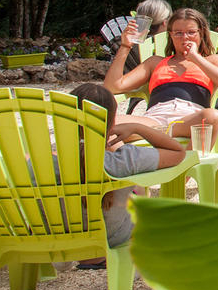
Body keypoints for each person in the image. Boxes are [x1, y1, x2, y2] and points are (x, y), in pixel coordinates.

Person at [69, 83, 186, 253]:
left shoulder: (40, 160)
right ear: (111, 122)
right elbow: (177, 152)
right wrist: (137, 127)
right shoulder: (121, 161)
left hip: (55, 232)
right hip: (111, 235)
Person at [102, 7, 218, 145]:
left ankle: (157, 137)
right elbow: (113, 87)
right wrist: (125, 45)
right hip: (154, 118)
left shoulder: (212, 61)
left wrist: (196, 58)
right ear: (170, 35)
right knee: (104, 123)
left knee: (213, 117)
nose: (185, 38)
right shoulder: (155, 62)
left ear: (201, 33)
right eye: (178, 33)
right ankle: (131, 160)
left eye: (191, 32)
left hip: (190, 119)